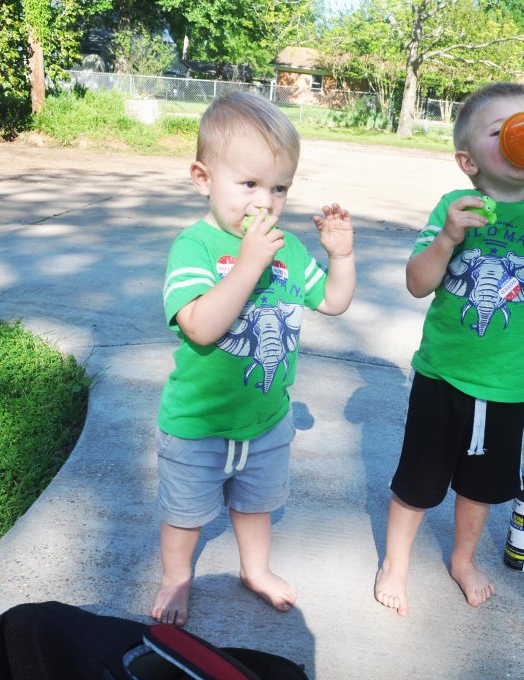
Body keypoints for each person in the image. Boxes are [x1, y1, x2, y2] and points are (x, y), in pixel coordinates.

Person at [374, 82, 524, 616]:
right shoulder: (456, 206)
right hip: (443, 376)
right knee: (417, 482)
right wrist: (447, 239)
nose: (521, 137)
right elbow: (417, 283)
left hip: (507, 384)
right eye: (502, 131)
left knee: (480, 488)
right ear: (468, 161)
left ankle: (462, 559)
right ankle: (395, 565)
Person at [152, 91, 355, 626]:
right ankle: (176, 579)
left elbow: (333, 302)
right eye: (249, 184)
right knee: (184, 515)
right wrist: (245, 266)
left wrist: (341, 256)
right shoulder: (193, 247)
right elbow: (199, 325)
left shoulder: (284, 249)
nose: (264, 202)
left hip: (266, 421)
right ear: (203, 179)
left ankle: (255, 569)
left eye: (279, 187)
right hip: (199, 422)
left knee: (256, 505)